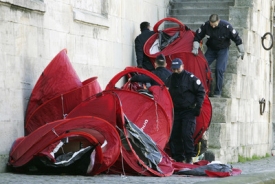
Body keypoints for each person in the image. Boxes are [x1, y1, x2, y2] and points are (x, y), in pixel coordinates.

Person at [191, 14, 244, 98]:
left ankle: (217, 92)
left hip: (223, 49)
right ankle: (202, 89)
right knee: (201, 65)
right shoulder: (206, 26)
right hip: (211, 49)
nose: (213, 26)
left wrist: (241, 50)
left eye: (215, 25)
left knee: (219, 69)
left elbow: (236, 38)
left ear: (218, 21)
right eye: (211, 25)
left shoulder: (226, 26)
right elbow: (197, 37)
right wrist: (195, 48)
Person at [165, 58, 205, 164]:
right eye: (174, 69)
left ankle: (189, 157)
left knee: (186, 134)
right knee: (175, 135)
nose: (176, 71)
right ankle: (178, 158)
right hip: (176, 111)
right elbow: (166, 93)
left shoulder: (190, 78)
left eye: (178, 69)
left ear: (182, 66)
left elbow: (201, 91)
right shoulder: (170, 79)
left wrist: (198, 107)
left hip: (188, 111)